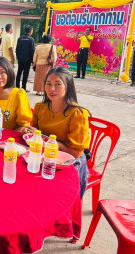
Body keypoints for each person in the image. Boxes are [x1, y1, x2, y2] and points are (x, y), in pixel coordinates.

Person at [24, 67, 90, 199]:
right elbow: (35, 134)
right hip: (44, 154)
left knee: (59, 195)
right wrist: (29, 132)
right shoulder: (40, 108)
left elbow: (75, 153)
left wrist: (45, 140)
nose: (51, 89)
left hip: (70, 160)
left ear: (68, 86)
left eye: (58, 84)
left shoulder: (77, 114)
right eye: (48, 84)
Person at [15, 25, 35, 91]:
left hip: (20, 59)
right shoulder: (31, 40)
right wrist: (33, 60)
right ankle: (23, 88)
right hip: (27, 60)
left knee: (19, 72)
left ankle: (17, 86)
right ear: (31, 31)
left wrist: (18, 57)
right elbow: (32, 51)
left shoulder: (20, 38)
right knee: (25, 74)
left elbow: (17, 49)